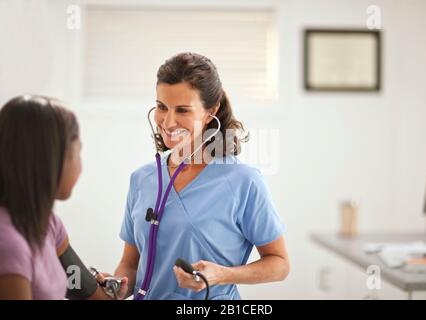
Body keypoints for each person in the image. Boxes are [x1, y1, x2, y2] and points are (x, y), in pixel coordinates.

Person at [110, 52, 289, 300]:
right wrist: (116, 285)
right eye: (162, 107)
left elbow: (279, 264)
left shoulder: (243, 182)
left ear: (211, 110)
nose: (168, 122)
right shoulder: (142, 179)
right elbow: (130, 264)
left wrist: (222, 275)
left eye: (182, 110)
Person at [0, 95, 127, 300]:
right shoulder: (9, 244)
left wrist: (111, 293)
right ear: (49, 159)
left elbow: (91, 294)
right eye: (77, 151)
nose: (81, 164)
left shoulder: (48, 224)